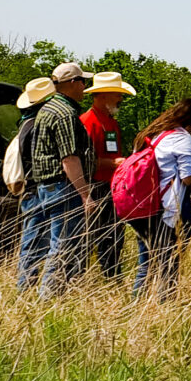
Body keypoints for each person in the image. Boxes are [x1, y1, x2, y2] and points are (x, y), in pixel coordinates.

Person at [15, 64, 97, 297]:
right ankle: (48, 299)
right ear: (71, 83)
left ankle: (27, 292)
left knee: (39, 243)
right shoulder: (65, 114)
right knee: (63, 245)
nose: (85, 86)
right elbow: (69, 159)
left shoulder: (47, 109)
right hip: (63, 187)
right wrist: (85, 194)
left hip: (46, 187)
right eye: (82, 81)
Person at [129, 98, 191, 301]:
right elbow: (187, 178)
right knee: (168, 262)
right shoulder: (182, 137)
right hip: (165, 207)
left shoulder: (153, 133)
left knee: (145, 261)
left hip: (142, 204)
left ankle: (136, 304)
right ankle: (166, 306)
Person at [80, 70, 136, 278]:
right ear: (102, 95)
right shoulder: (88, 121)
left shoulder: (110, 121)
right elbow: (82, 160)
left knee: (114, 235)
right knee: (92, 236)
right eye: (117, 94)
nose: (121, 99)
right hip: (95, 186)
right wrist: (113, 163)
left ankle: (111, 277)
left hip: (112, 187)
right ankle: (84, 280)